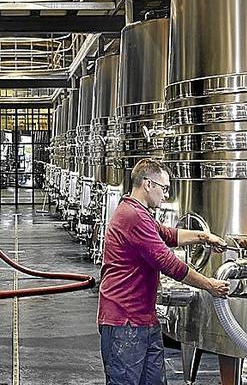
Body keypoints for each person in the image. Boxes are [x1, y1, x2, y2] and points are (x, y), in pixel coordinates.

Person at [97, 158, 230, 385]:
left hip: (144, 319)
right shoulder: (133, 216)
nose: (166, 195)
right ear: (148, 184)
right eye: (164, 188)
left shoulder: (138, 212)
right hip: (125, 322)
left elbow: (167, 234)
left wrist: (204, 237)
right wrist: (209, 285)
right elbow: (169, 263)